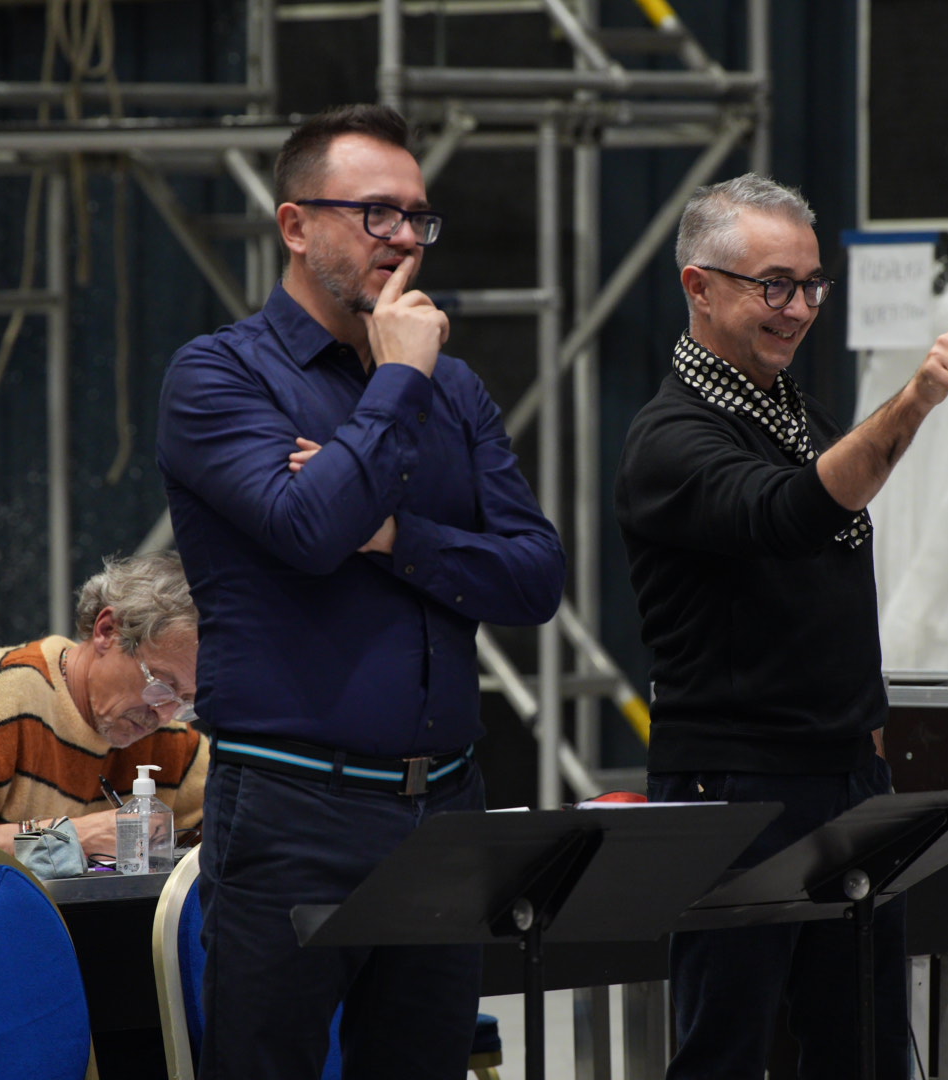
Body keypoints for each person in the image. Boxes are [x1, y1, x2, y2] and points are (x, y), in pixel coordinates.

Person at [156, 103, 566, 1079]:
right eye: (376, 213)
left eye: (418, 217)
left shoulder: (454, 390)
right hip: (292, 802)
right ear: (296, 225)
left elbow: (534, 575)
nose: (405, 239)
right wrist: (398, 381)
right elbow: (306, 533)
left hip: (446, 802)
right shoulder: (219, 375)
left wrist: (390, 537)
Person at [614, 173, 948, 1079]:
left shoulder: (791, 410)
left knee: (865, 1042)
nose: (797, 310)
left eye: (809, 285)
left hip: (847, 775)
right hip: (737, 786)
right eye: (773, 286)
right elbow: (790, 514)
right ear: (699, 286)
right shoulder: (670, 439)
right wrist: (916, 398)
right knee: (727, 1049)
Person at [0, 550, 208, 857]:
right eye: (160, 684)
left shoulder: (174, 741)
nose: (164, 714)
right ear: (107, 631)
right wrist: (64, 837)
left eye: (187, 700)